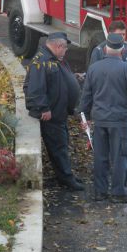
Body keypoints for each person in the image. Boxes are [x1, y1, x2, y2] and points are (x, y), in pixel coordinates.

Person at [80, 33, 127, 203]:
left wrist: (84, 116)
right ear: (122, 50)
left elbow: (86, 96)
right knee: (121, 156)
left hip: (100, 120)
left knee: (100, 157)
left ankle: (100, 192)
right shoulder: (126, 69)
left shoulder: (94, 69)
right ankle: (119, 192)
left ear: (106, 49)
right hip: (121, 121)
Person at [23, 32, 84, 191]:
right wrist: (43, 108)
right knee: (59, 147)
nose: (66, 51)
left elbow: (56, 80)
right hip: (52, 114)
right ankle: (66, 179)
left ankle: (64, 175)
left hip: (60, 112)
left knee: (62, 144)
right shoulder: (42, 61)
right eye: (65, 48)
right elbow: (35, 88)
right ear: (58, 46)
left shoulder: (54, 59)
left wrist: (73, 78)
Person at [89, 20, 127, 175]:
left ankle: (126, 167)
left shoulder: (126, 49)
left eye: (124, 34)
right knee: (109, 142)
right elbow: (94, 78)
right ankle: (111, 170)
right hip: (106, 101)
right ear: (110, 34)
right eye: (119, 34)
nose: (122, 38)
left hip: (122, 102)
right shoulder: (99, 50)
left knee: (124, 142)